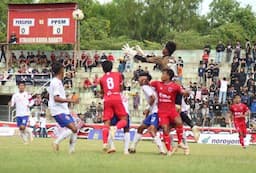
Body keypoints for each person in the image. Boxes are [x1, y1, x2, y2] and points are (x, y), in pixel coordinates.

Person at [150, 69, 188, 156]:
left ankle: (179, 142)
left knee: (179, 122)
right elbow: (148, 84)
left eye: (163, 74)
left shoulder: (175, 86)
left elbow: (182, 92)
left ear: (168, 76)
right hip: (162, 112)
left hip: (172, 110)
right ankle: (169, 150)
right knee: (165, 129)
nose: (162, 75)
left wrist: (187, 93)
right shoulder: (157, 84)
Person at [129, 72, 165, 154]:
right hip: (154, 111)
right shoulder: (150, 86)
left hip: (156, 112)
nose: (139, 80)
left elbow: (153, 97)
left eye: (140, 78)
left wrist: (147, 108)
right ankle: (132, 147)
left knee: (152, 129)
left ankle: (162, 150)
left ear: (144, 80)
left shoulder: (145, 87)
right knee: (141, 128)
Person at [48, 62, 79, 153]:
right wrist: (71, 100)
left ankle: (71, 151)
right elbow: (56, 98)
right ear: (61, 70)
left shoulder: (58, 82)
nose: (64, 71)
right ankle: (56, 142)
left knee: (75, 129)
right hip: (58, 110)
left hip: (63, 110)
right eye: (63, 69)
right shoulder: (56, 82)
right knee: (73, 129)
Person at [99, 60, 128, 154]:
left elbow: (102, 92)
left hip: (107, 99)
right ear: (111, 67)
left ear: (103, 69)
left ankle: (104, 143)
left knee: (106, 122)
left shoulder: (101, 79)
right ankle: (115, 128)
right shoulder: (117, 74)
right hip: (116, 98)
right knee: (124, 119)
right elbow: (121, 87)